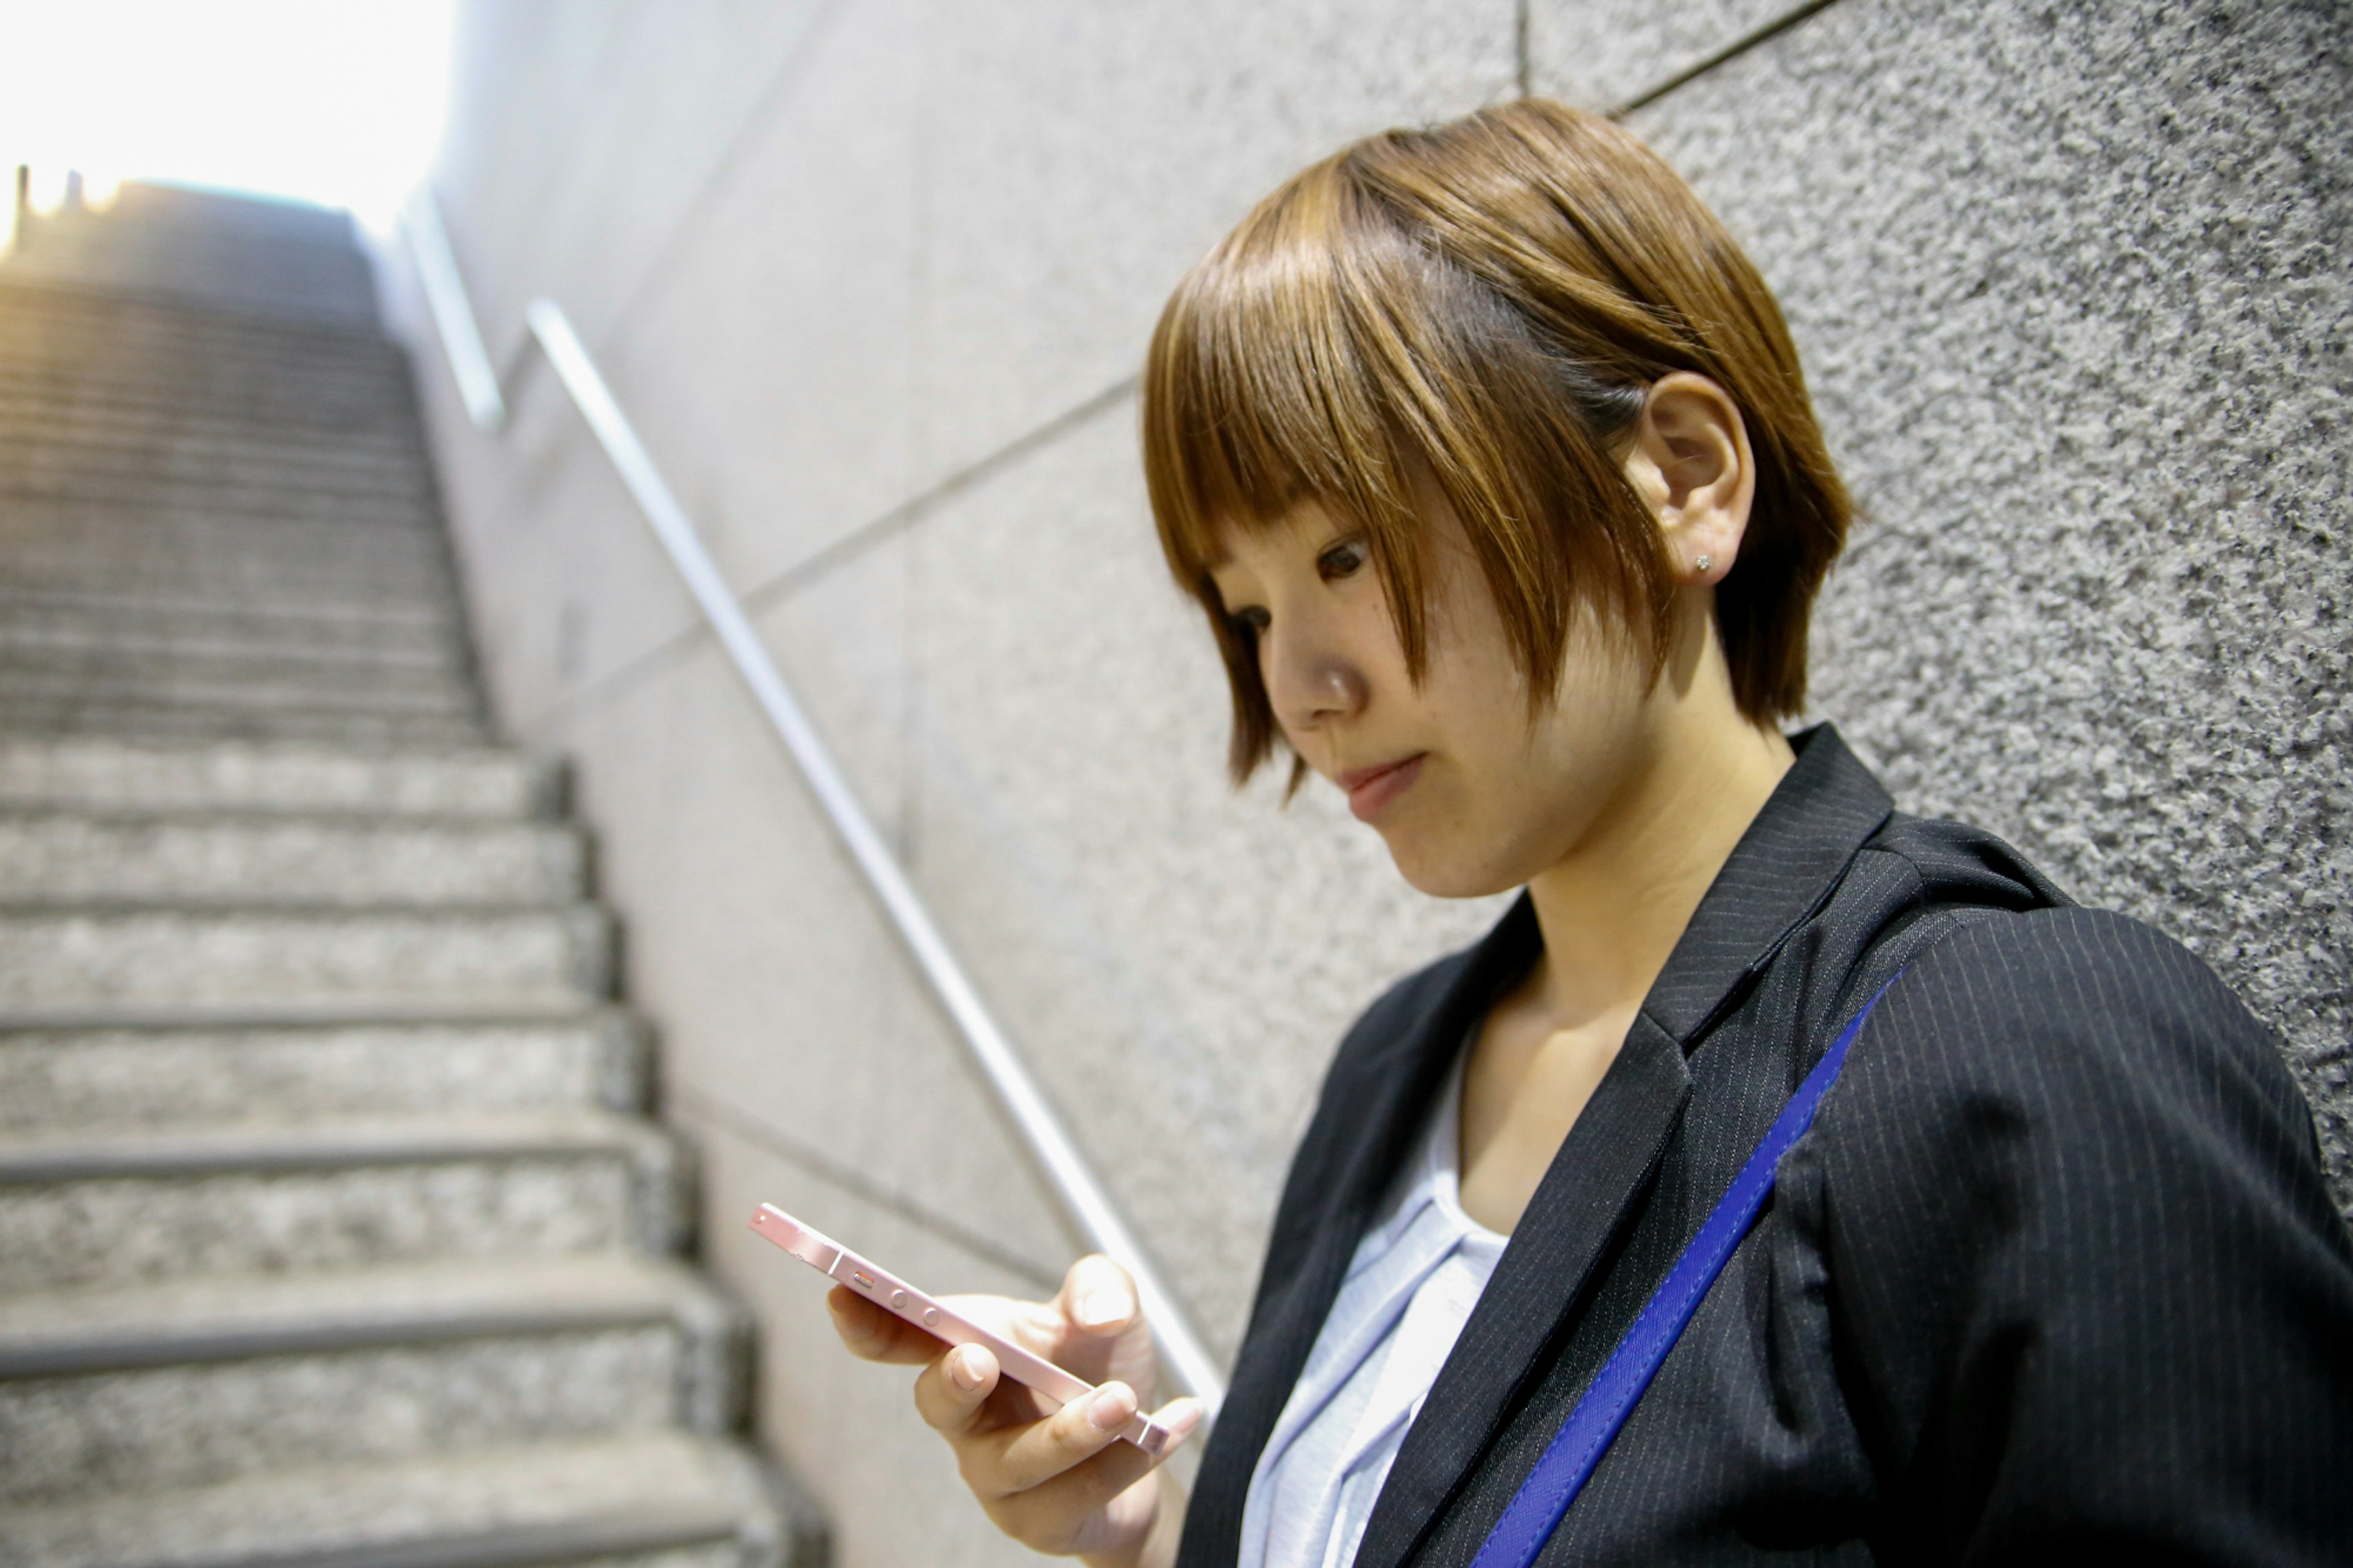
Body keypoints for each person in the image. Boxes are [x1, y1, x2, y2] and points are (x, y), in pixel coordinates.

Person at [827, 99, 2353, 1567]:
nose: (1300, 684)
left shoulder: (2024, 1046)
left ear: (1680, 479)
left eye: (1343, 551)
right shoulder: (1400, 1062)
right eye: (1247, 607)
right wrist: (1140, 1535)